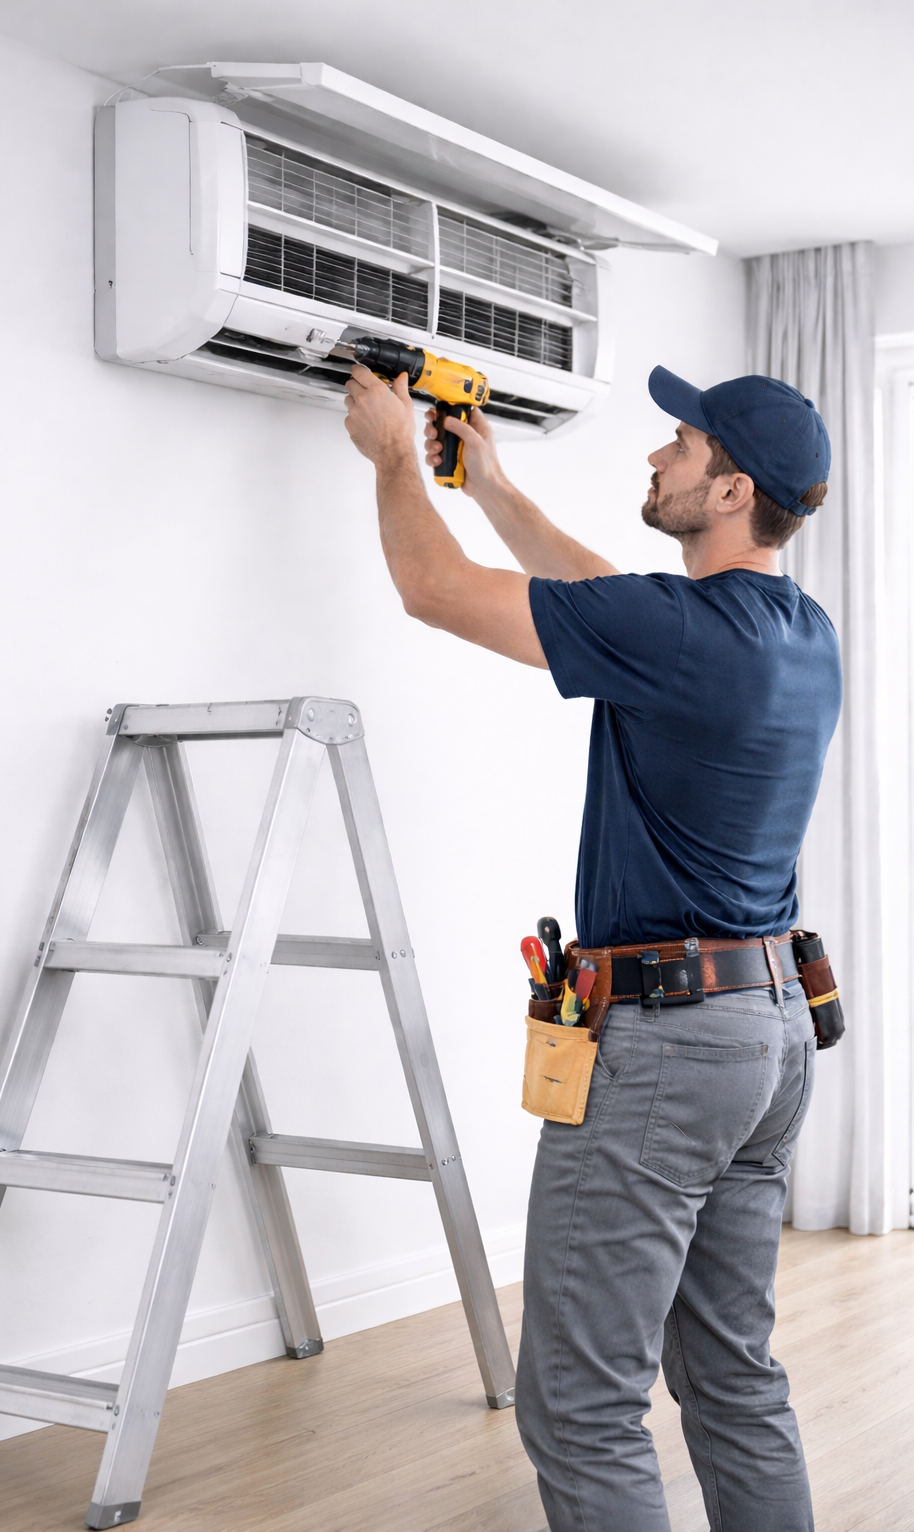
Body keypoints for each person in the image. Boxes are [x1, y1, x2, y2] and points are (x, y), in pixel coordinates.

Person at [343, 359, 841, 1532]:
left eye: (680, 445)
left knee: (577, 1402)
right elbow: (607, 594)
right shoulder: (796, 631)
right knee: (731, 1374)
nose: (655, 458)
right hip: (767, 1038)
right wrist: (496, 488)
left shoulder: (673, 633)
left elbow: (430, 589)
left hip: (668, 1055)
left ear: (729, 490)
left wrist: (393, 459)